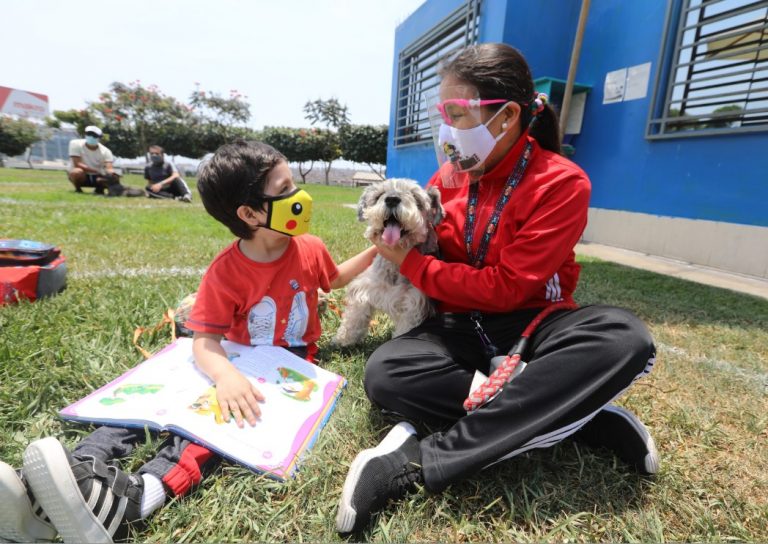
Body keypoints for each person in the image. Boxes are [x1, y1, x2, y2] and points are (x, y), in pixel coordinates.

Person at [335, 43, 659, 534]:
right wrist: (369, 261)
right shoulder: (446, 177)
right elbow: (404, 239)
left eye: (455, 113)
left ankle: (418, 460)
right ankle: (580, 419)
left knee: (622, 337)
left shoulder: (562, 183)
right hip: (457, 326)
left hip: (531, 322)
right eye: (441, 113)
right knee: (386, 371)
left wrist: (413, 265)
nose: (445, 127)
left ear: (506, 117)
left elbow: (509, 288)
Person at [0, 141, 376, 544]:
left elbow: (333, 279)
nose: (301, 197)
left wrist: (378, 250)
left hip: (288, 366)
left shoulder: (311, 247)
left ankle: (141, 496)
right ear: (249, 214)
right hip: (232, 357)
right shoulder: (226, 271)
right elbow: (204, 342)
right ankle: (71, 472)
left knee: (214, 424)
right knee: (146, 405)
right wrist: (226, 375)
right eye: (284, 190)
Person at [67, 125, 118, 194]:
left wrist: (113, 174)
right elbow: (77, 164)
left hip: (97, 176)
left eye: (94, 135)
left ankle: (99, 190)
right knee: (77, 172)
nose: (91, 136)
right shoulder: (75, 144)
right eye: (88, 134)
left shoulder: (106, 151)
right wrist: (97, 171)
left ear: (99, 138)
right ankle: (78, 189)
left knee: (113, 177)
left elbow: (109, 167)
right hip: (82, 175)